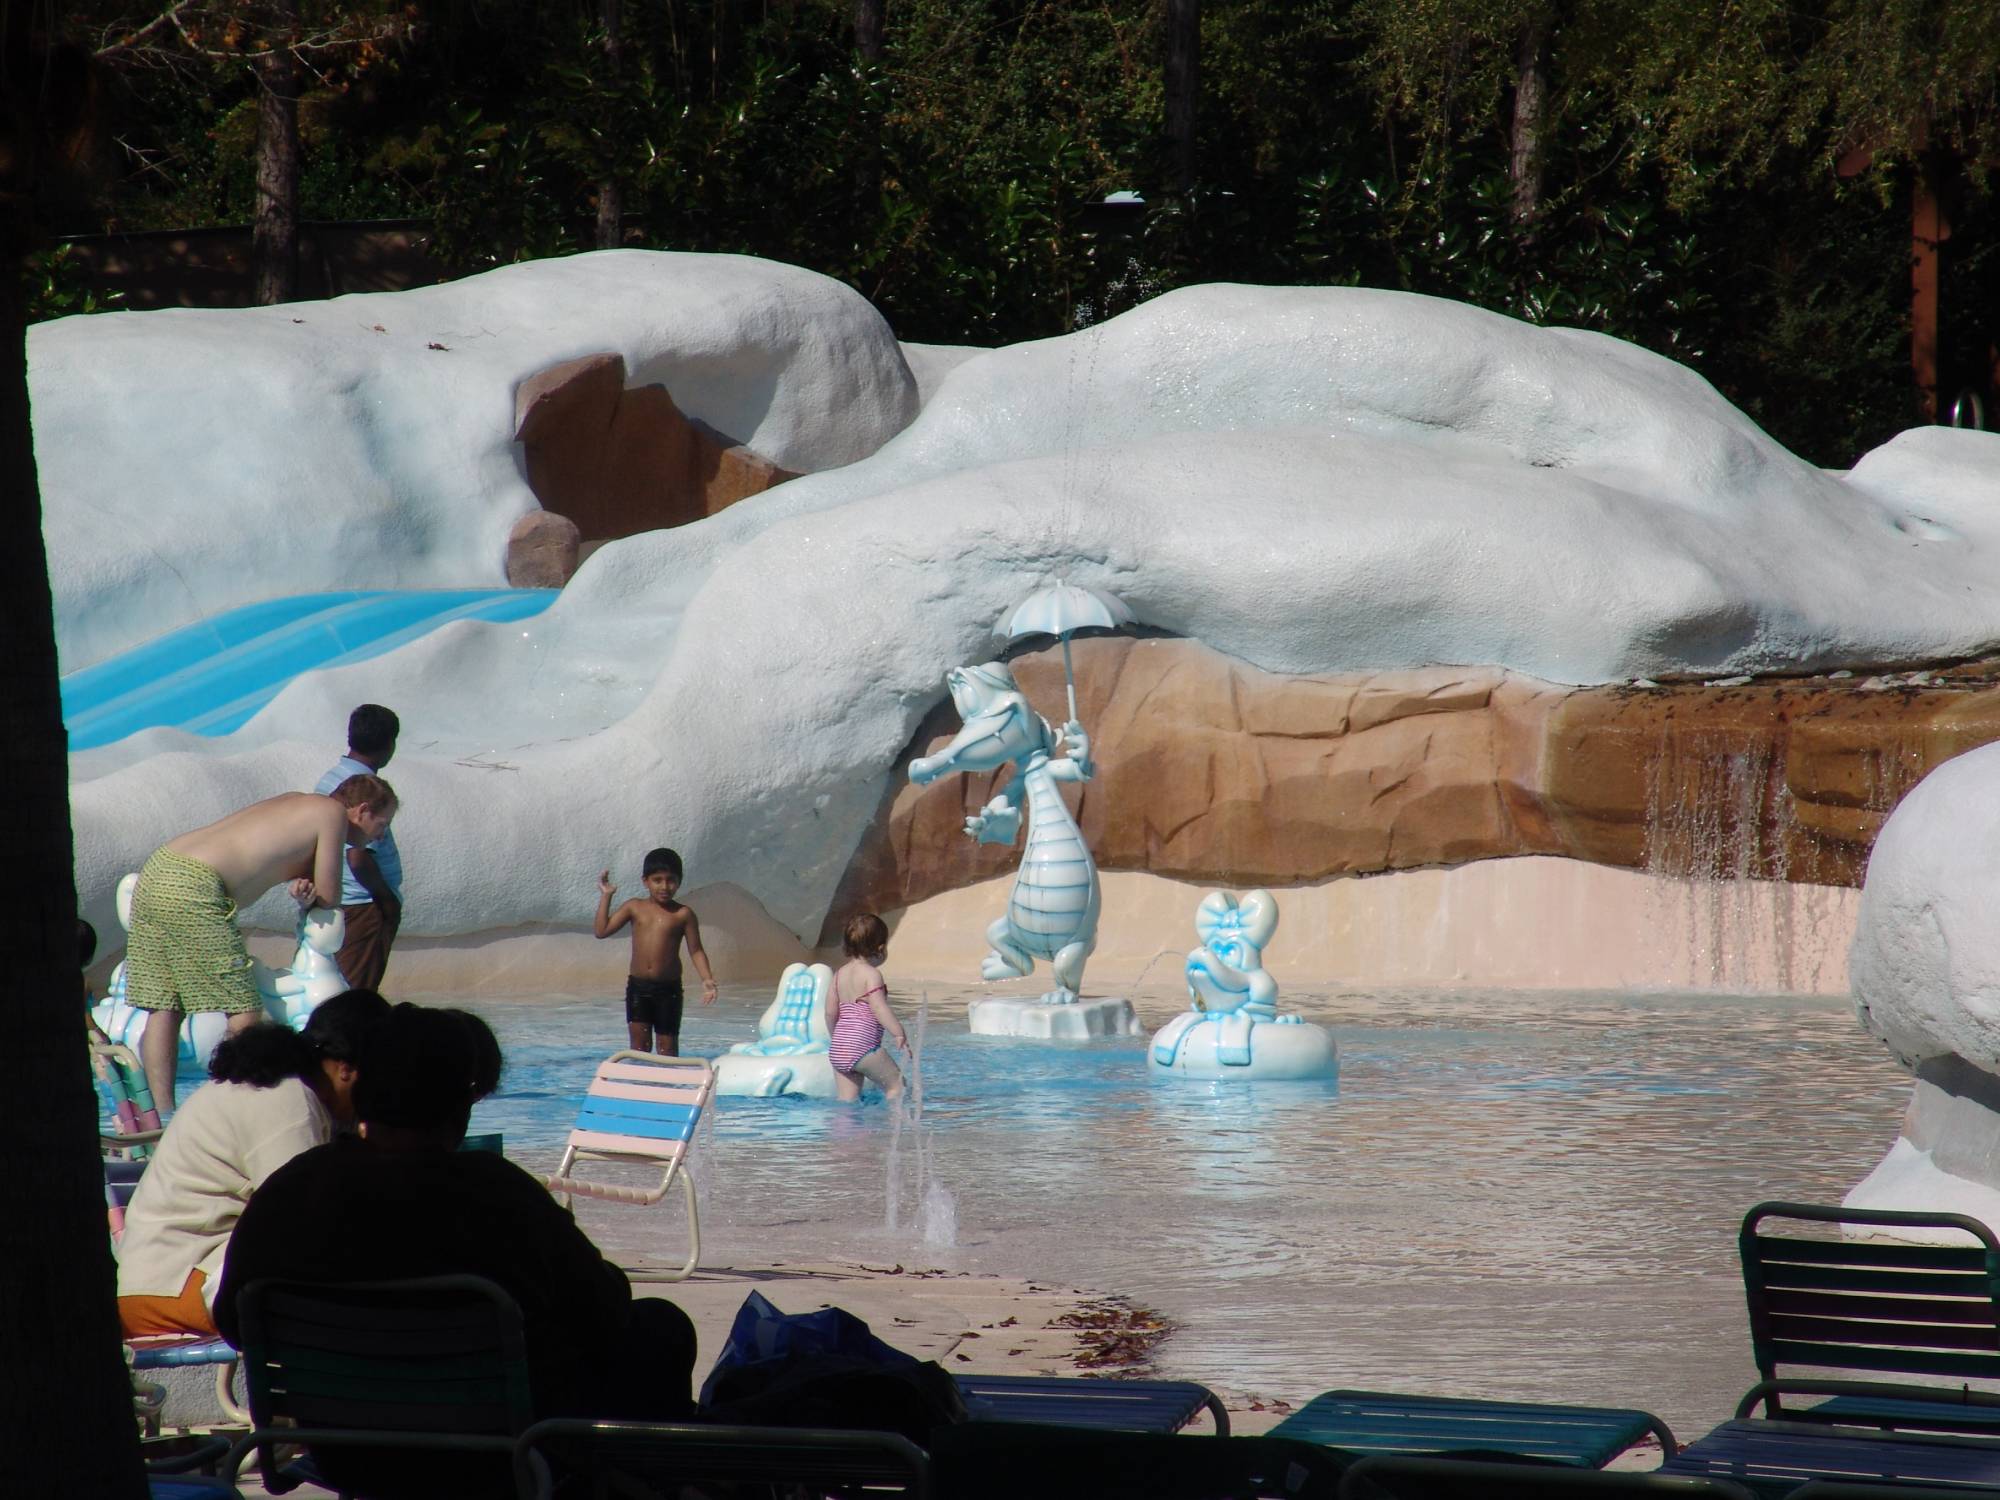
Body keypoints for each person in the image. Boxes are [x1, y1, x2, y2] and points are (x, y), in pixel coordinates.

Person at [215, 1003, 698, 1491]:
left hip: (348, 1453)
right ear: (461, 1106)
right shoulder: (499, 1193)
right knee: (661, 1327)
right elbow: (604, 1312)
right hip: (497, 1452)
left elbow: (235, 1320)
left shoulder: (294, 1189)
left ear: (362, 1090)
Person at [115, 989, 390, 1339]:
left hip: (157, 1282)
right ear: (346, 1069)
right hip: (178, 1287)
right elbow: (306, 1226)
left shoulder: (275, 1086)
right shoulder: (288, 1101)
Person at [128, 775, 398, 1112]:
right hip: (196, 884)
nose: (381, 835)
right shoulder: (331, 813)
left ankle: (161, 1116)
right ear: (361, 810)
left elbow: (277, 859)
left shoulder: (297, 803)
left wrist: (302, 887)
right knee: (244, 1011)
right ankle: (231, 1112)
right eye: (382, 824)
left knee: (165, 1005)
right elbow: (330, 897)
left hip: (160, 868)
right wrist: (315, 891)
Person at [313, 704, 404, 991]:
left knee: (335, 985)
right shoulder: (368, 790)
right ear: (390, 745)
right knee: (354, 994)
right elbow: (357, 855)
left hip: (338, 901)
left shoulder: (330, 778)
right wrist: (387, 902)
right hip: (362, 906)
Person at [593, 847, 718, 1055]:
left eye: (671, 880)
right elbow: (601, 930)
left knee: (667, 1048)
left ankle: (668, 1085)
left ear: (679, 881)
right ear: (645, 881)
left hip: (668, 990)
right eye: (657, 880)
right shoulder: (634, 907)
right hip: (638, 988)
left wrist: (707, 979)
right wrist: (606, 896)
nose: (665, 886)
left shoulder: (683, 914)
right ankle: (640, 1085)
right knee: (639, 1047)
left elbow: (696, 950)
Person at [826, 913, 909, 1102]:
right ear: (880, 948)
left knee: (847, 1102)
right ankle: (891, 1128)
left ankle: (845, 1131)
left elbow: (830, 1012)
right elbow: (879, 1008)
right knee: (897, 1087)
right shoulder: (872, 975)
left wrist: (837, 1038)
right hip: (863, 1047)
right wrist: (898, 1032)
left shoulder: (839, 975)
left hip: (839, 1048)